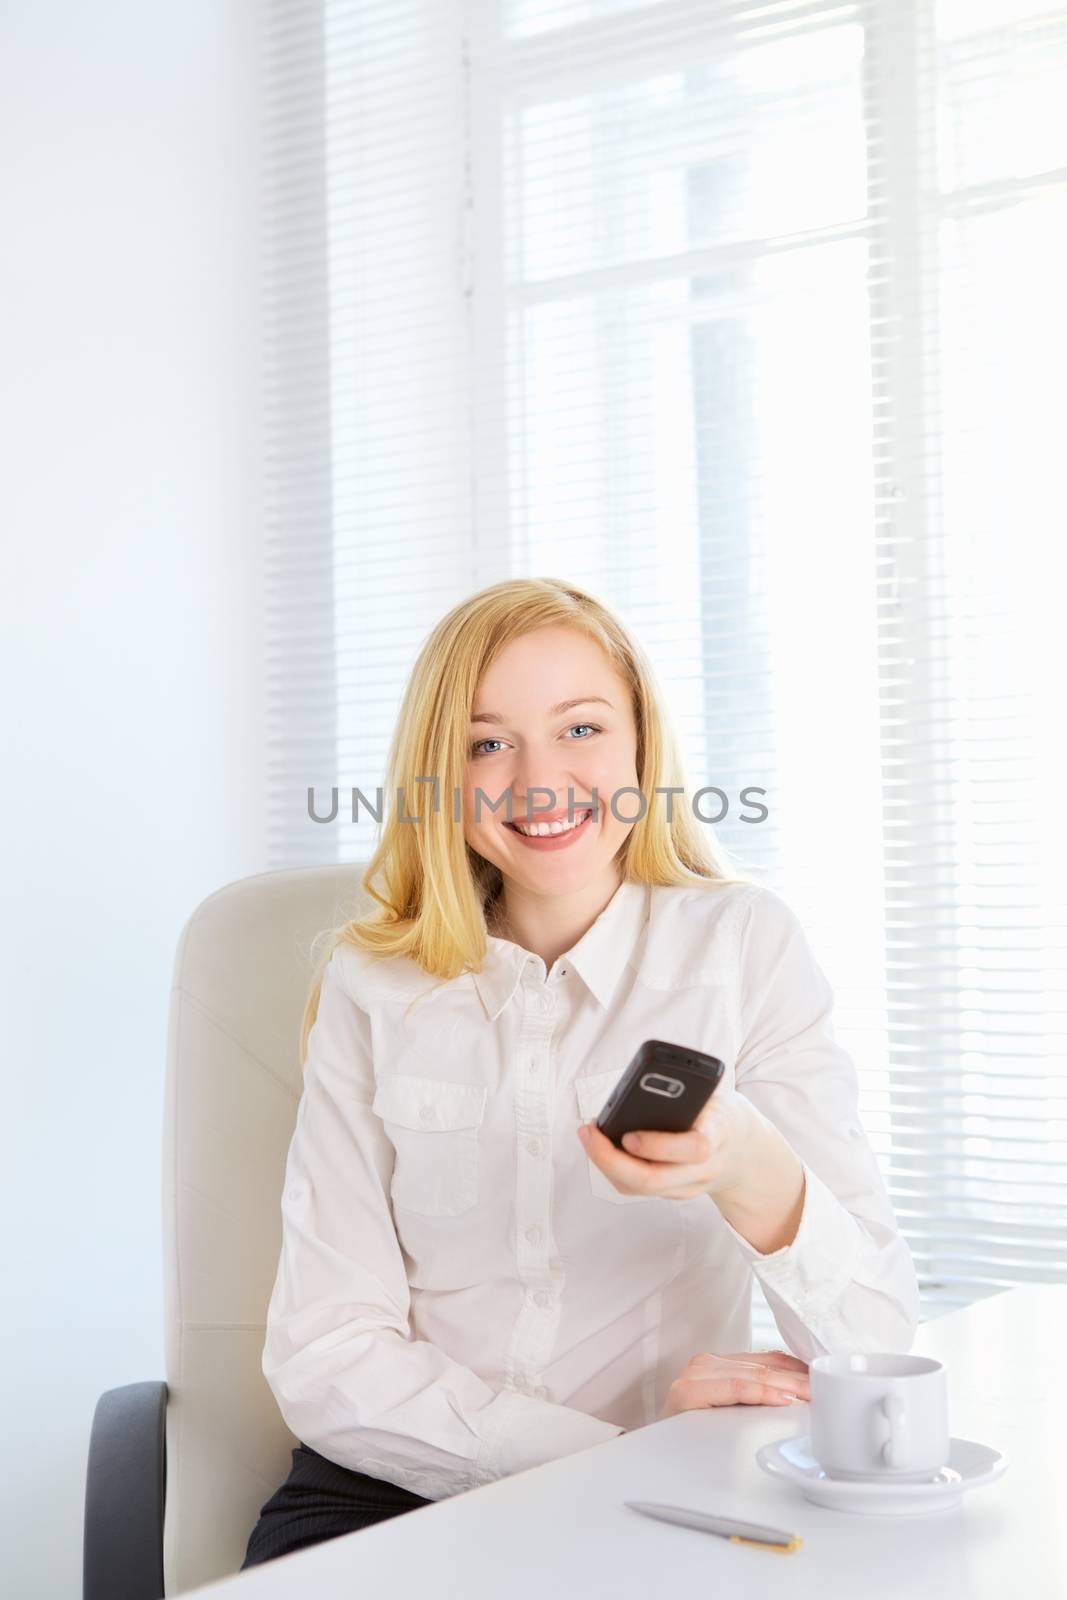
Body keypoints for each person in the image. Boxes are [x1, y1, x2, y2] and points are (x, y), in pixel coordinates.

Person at [240, 576, 919, 1568]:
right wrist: (606, 1455)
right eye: (485, 743)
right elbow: (325, 1353)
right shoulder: (371, 983)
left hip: (659, 1507)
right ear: (438, 775)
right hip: (388, 1494)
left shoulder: (742, 948)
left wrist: (746, 1167)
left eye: (581, 728)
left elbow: (874, 1351)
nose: (537, 779)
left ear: (642, 745)